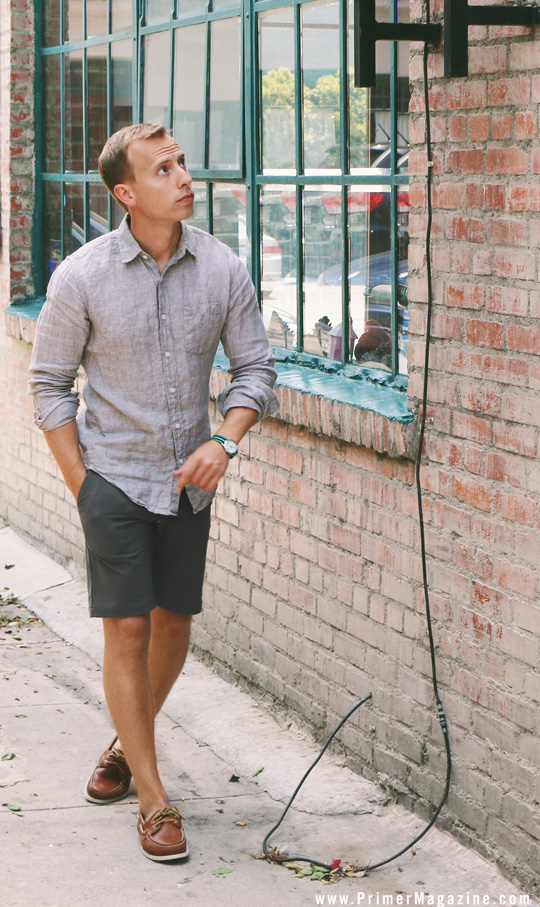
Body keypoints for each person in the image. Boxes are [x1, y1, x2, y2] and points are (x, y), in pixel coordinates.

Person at [28, 123, 278, 862]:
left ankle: (122, 748)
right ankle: (152, 796)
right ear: (126, 194)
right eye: (162, 169)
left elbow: (256, 371)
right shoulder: (81, 276)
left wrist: (224, 440)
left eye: (181, 164)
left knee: (173, 625)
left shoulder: (223, 267)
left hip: (188, 486)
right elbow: (48, 385)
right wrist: (83, 484)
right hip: (113, 480)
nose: (182, 177)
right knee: (128, 629)